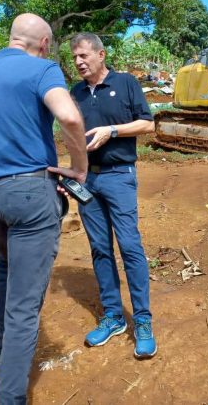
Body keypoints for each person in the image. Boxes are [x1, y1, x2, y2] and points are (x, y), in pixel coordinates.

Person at [0, 13, 88, 404]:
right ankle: (9, 398)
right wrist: (80, 168)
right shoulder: (42, 70)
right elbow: (70, 115)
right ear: (43, 44)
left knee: (4, 266)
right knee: (25, 305)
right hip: (30, 196)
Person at [69, 32, 157, 359]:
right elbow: (71, 134)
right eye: (74, 57)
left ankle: (143, 320)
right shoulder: (75, 93)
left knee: (130, 247)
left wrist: (113, 131)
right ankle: (114, 317)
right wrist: (73, 173)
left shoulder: (126, 83)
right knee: (100, 249)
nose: (78, 62)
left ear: (101, 54)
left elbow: (148, 125)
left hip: (120, 177)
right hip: (87, 181)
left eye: (83, 55)